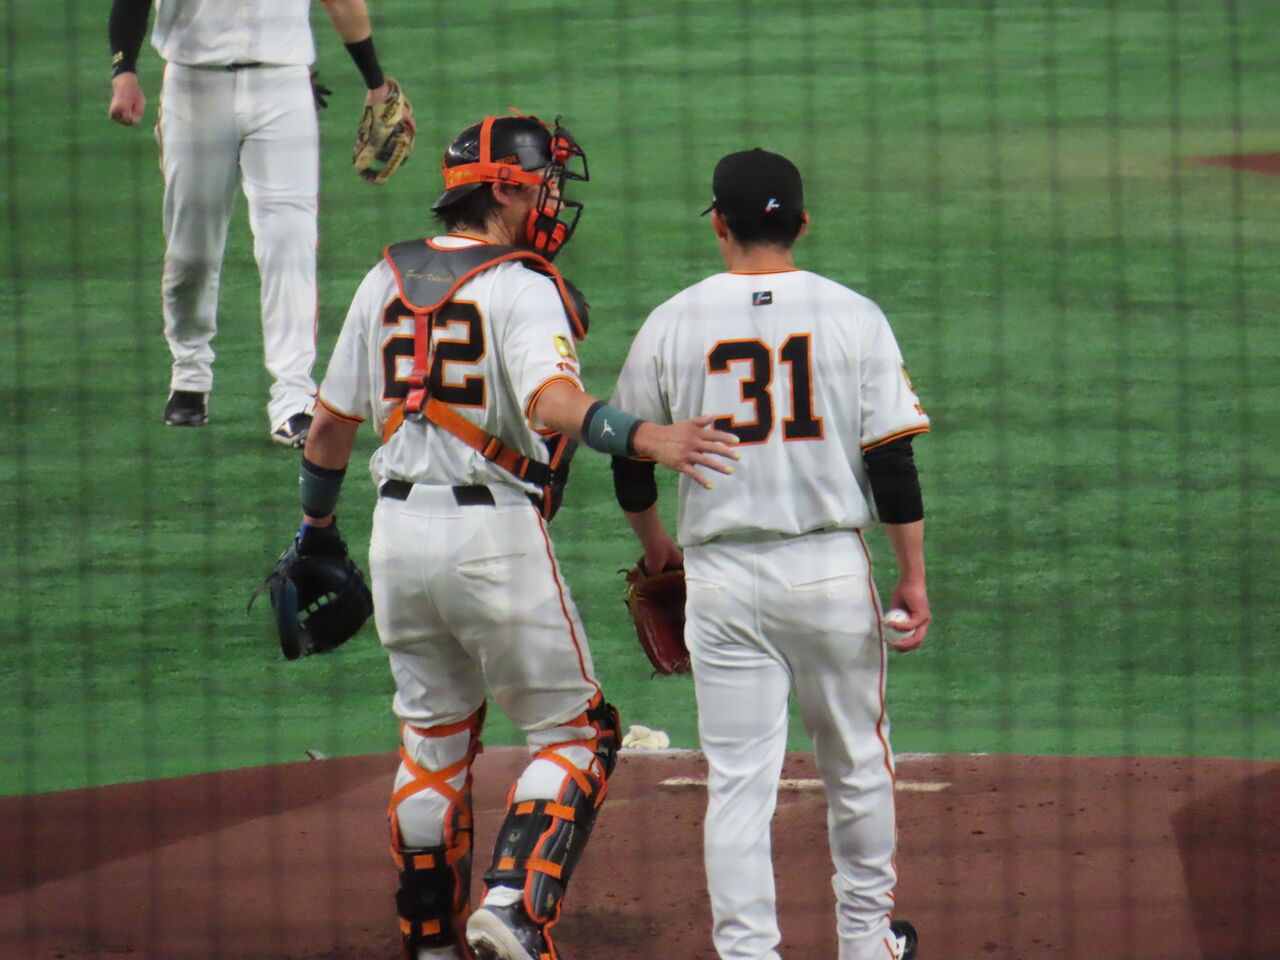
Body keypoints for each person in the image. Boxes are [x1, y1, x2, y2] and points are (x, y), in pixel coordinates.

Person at [285, 114, 739, 960]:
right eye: (542, 185)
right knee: (578, 734)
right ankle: (514, 907)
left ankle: (429, 943)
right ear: (502, 188)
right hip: (491, 538)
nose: (552, 202)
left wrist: (315, 531)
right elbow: (551, 404)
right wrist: (647, 436)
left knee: (432, 740)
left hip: (394, 537)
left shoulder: (384, 278)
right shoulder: (522, 285)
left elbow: (327, 428)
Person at [609, 149, 931, 960]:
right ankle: (867, 943)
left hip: (721, 582)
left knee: (738, 787)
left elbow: (629, 459)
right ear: (803, 224)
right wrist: (913, 579)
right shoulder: (853, 313)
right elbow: (893, 464)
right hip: (828, 575)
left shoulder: (673, 319)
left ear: (719, 224)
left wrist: (658, 552)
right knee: (857, 764)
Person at [106, 0, 412, 447]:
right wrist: (124, 72)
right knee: (191, 251)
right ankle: (189, 372)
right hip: (193, 87)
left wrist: (376, 83)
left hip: (282, 87)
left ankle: (294, 396)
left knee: (290, 243)